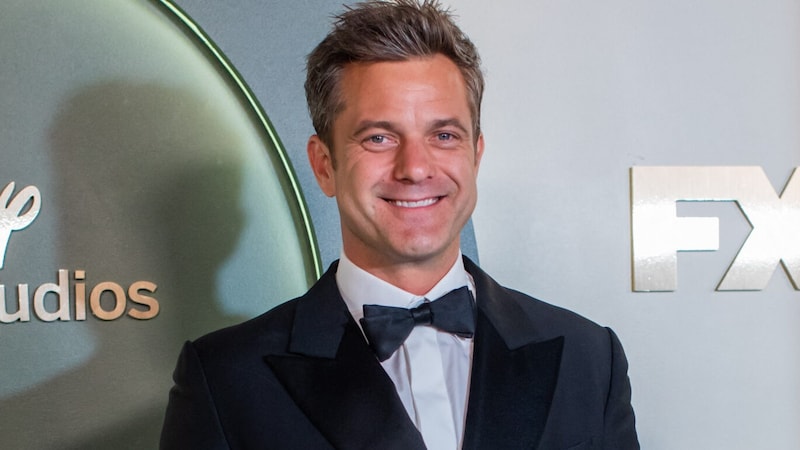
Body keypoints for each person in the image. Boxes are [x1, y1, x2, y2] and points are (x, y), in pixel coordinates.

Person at [160, 1, 639, 448]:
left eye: (444, 135)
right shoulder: (224, 380)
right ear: (324, 165)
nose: (415, 167)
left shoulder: (590, 359)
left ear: (475, 155)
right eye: (380, 137)